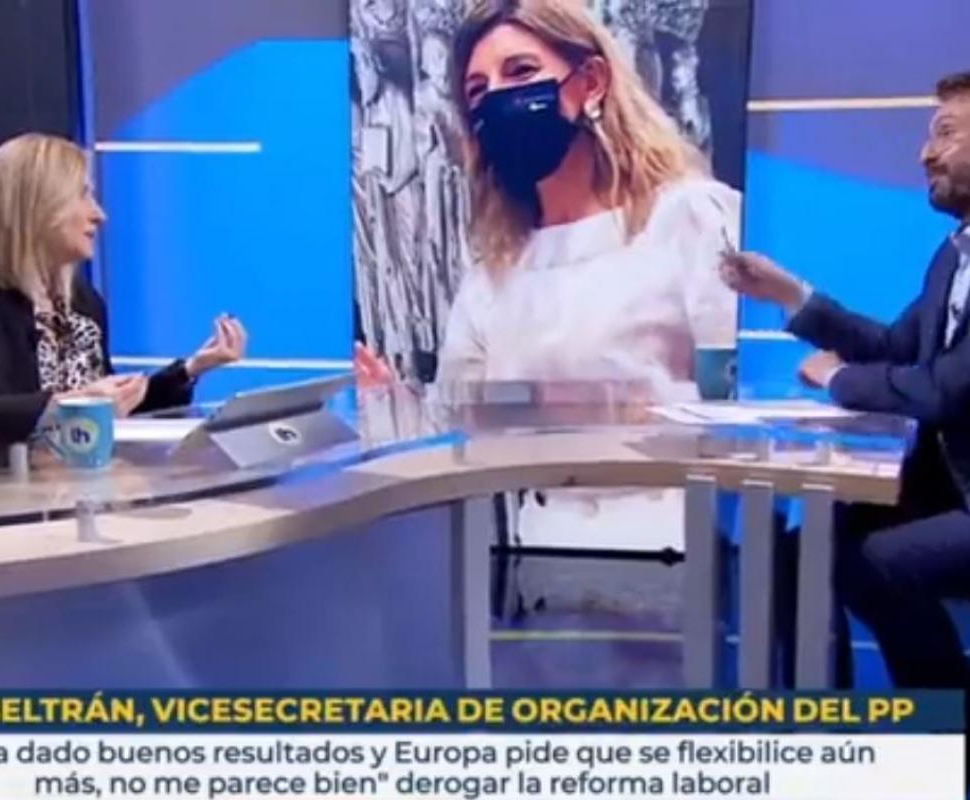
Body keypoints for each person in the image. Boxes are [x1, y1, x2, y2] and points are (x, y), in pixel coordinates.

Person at [358, 0, 740, 553]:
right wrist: (389, 405)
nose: (499, 97)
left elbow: (739, 411)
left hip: (681, 548)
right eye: (478, 90)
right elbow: (459, 431)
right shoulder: (494, 272)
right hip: (537, 554)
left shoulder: (692, 217)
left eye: (521, 72)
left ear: (591, 82)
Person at [720, 71, 970, 689]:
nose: (925, 153)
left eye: (946, 133)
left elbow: (942, 390)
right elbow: (894, 347)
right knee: (800, 552)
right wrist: (790, 294)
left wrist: (838, 378)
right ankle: (820, 716)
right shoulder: (955, 254)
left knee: (873, 562)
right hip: (947, 486)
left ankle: (941, 710)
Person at [0, 133, 247, 449]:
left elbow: (112, 407)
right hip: (7, 482)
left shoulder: (82, 302)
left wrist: (192, 369)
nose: (99, 215)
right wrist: (67, 405)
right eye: (83, 195)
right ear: (38, 205)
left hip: (87, 476)